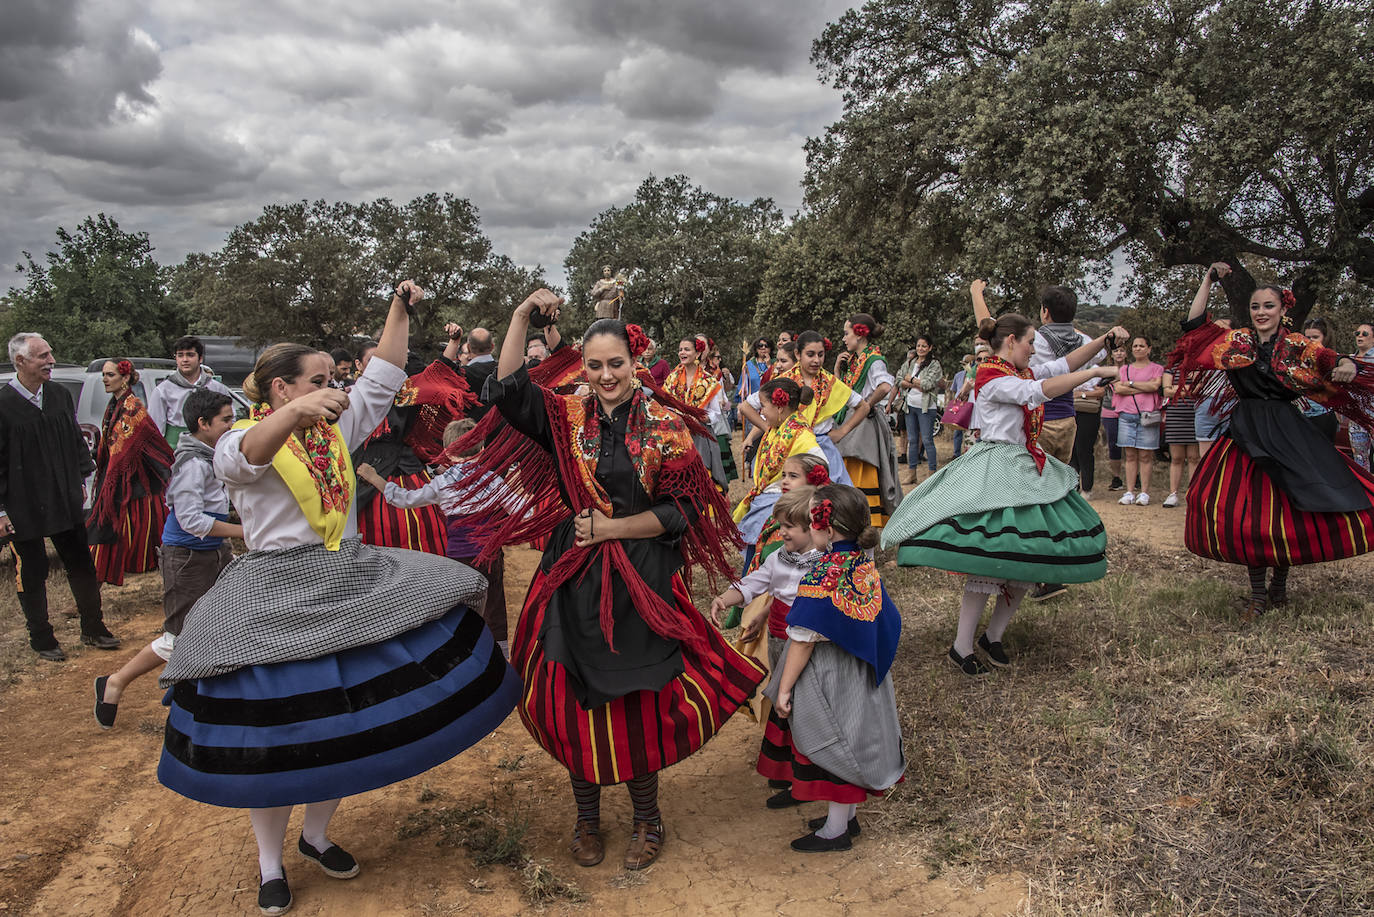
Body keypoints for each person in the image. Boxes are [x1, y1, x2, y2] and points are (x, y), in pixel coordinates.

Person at [156, 282, 520, 916]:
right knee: (271, 743)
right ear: (281, 389)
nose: (336, 388)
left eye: (333, 378)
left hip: (345, 580)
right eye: (319, 380)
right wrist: (299, 413)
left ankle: (317, 835)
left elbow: (384, 375)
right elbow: (249, 457)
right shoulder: (239, 438)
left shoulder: (333, 429)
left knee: (347, 728)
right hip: (272, 593)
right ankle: (270, 864)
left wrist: (400, 309)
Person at [442, 294, 766, 871]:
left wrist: (613, 527)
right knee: (573, 696)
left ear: (635, 363)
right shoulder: (565, 414)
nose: (606, 375)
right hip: (574, 575)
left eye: (616, 363)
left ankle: (647, 819)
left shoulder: (665, 426)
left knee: (638, 699)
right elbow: (508, 389)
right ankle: (587, 817)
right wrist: (520, 316)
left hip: (642, 578)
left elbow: (684, 511)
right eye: (594, 365)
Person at [883, 315, 1123, 674]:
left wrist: (1103, 341)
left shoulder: (1018, 371)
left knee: (1028, 555)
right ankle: (961, 646)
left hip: (1024, 466)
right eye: (1030, 343)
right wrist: (1096, 373)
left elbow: (1063, 365)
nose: (1034, 350)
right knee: (989, 559)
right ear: (1011, 341)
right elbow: (1037, 392)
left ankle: (992, 636)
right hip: (996, 466)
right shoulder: (991, 376)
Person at [1167, 264, 1374, 618]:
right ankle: (1258, 594)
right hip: (1246, 431)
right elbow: (1195, 327)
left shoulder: (1296, 345)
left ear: (1282, 309)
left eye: (1268, 306)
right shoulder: (1236, 342)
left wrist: (1346, 364)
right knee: (1248, 512)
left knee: (1291, 508)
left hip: (1287, 431)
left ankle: (1279, 586)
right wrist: (1207, 280)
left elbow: (1327, 358)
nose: (1261, 312)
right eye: (1255, 307)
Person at [760, 484, 904, 851]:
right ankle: (846, 819)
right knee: (853, 740)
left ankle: (835, 831)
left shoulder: (823, 573)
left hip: (831, 676)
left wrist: (785, 688)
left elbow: (803, 639)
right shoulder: (860, 560)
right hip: (861, 670)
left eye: (811, 520)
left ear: (826, 528)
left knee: (838, 746)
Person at [93, 389, 242, 728]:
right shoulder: (192, 464)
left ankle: (202, 693)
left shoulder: (209, 456)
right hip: (188, 558)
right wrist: (243, 531)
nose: (232, 425)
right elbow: (191, 521)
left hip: (213, 551)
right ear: (203, 424)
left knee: (220, 622)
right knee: (178, 637)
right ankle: (114, 682)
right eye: (226, 420)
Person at [1, 333, 121, 660]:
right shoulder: (3, 405)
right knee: (32, 570)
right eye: (43, 356)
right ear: (21, 361)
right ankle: (41, 638)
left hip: (63, 495)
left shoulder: (58, 395)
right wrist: (1, 511)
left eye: (50, 354)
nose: (51, 361)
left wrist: (81, 477)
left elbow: (73, 439)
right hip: (22, 503)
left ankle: (93, 627)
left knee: (81, 562)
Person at [356, 417, 513, 657]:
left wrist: (375, 478)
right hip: (490, 554)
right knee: (494, 606)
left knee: (461, 608)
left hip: (459, 557)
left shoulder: (442, 482)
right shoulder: (493, 479)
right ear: (482, 449)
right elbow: (523, 511)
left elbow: (404, 499)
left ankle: (464, 655)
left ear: (447, 453)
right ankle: (500, 655)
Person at [708, 487, 822, 790]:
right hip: (778, 641)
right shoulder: (778, 559)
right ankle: (789, 771)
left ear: (811, 527)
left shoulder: (825, 563)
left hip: (808, 646)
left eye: (788, 526)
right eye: (780, 525)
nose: (781, 532)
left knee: (802, 702)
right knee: (783, 702)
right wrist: (724, 599)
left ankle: (806, 774)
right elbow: (751, 584)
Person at [351, 324, 475, 555]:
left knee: (424, 533)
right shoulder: (350, 396)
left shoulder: (407, 391)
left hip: (407, 471)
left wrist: (454, 342)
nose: (381, 366)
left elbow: (438, 372)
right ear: (358, 365)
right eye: (373, 361)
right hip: (365, 474)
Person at [88, 360, 175, 585]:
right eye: (104, 375)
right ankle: (93, 585)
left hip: (134, 486)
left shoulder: (133, 408)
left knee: (130, 535)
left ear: (125, 378)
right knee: (106, 533)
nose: (105, 379)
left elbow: (129, 448)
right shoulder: (114, 406)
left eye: (110, 375)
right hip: (121, 482)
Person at [740, 332, 864, 486]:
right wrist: (771, 430)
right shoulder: (784, 381)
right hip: (788, 446)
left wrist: (842, 432)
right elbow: (746, 406)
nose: (816, 360)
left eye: (820, 355)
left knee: (832, 493)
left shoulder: (830, 382)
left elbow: (863, 406)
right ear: (798, 354)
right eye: (810, 355)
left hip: (821, 446)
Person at [732, 379, 823, 567]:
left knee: (770, 561)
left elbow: (821, 469)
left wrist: (797, 496)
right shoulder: (777, 429)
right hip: (768, 502)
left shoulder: (801, 435)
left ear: (780, 408)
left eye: (764, 407)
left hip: (780, 508)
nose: (762, 412)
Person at [834, 315, 900, 526]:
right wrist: (837, 370)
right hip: (854, 423)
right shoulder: (855, 360)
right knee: (850, 469)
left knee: (861, 468)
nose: (844, 339)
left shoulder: (874, 360)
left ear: (860, 334)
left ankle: (865, 521)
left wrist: (866, 405)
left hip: (864, 427)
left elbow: (885, 386)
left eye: (847, 333)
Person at [662, 335, 733, 487]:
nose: (682, 352)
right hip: (676, 434)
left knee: (701, 478)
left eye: (687, 349)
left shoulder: (708, 381)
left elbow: (715, 413)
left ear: (698, 353)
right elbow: (665, 405)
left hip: (699, 435)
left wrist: (702, 418)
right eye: (680, 350)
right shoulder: (672, 378)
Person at [145, 336, 234, 445]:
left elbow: (230, 420)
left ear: (200, 358)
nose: (185, 360)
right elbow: (155, 430)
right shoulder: (163, 390)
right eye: (180, 355)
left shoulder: (217, 388)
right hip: (175, 449)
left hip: (211, 448)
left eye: (190, 355)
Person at [1114, 336, 1164, 506]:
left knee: (1145, 455)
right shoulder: (1124, 369)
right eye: (1135, 346)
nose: (1137, 348)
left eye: (1141, 346)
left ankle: (1144, 492)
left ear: (1149, 349)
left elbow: (1154, 387)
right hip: (1126, 416)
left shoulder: (1157, 368)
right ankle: (1129, 491)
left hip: (1147, 416)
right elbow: (1118, 388)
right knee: (1129, 455)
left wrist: (1130, 384)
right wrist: (1143, 387)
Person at [898, 334, 942, 483]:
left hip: (926, 408)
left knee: (927, 440)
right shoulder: (910, 362)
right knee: (912, 440)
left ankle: (932, 474)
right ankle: (912, 474)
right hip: (910, 406)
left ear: (930, 348)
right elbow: (899, 379)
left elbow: (928, 385)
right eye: (918, 346)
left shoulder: (934, 364)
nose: (920, 348)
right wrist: (915, 383)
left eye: (924, 346)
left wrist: (909, 379)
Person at [1160, 363, 1200, 508]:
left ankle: (1193, 495)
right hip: (1175, 416)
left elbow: (1199, 387)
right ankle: (1173, 494)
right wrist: (1187, 389)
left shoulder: (1199, 367)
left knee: (1194, 458)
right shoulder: (1171, 369)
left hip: (1195, 415)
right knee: (1176, 458)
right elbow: (1166, 391)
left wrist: (1176, 389)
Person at [1070, 357, 1107, 498]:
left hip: (1089, 413)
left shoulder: (1094, 369)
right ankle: (1073, 486)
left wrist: (1082, 394)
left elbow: (1101, 392)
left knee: (1084, 449)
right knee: (1071, 450)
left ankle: (1087, 487)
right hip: (1071, 412)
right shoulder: (1069, 367)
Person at [1101, 344, 1127, 490]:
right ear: (1111, 355)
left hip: (1128, 409)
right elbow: (1098, 387)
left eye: (1122, 351)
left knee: (1131, 445)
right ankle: (1116, 478)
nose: (1119, 353)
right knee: (1113, 444)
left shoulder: (1131, 369)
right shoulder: (1105, 371)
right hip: (1109, 409)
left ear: (1126, 354)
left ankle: (1136, 477)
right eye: (1116, 351)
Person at [738, 338, 773, 439]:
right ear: (756, 348)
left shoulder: (776, 363)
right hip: (753, 408)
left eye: (766, 346)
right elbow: (742, 388)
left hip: (770, 407)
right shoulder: (748, 365)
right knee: (753, 439)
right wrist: (739, 408)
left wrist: (769, 365)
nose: (763, 348)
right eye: (760, 346)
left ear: (771, 348)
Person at [1350, 323, 1374, 469]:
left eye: (1364, 334)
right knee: (1359, 460)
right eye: (1357, 333)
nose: (1360, 336)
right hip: (1356, 418)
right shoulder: (1349, 360)